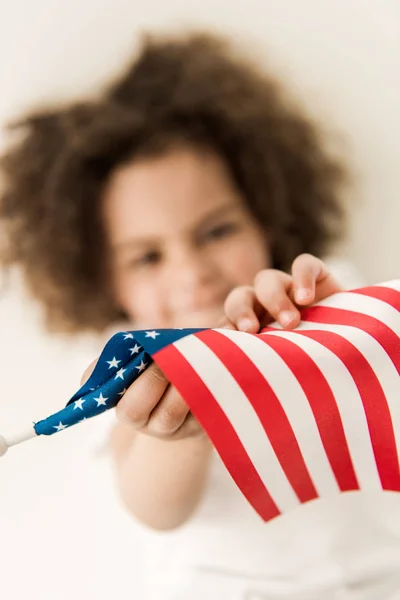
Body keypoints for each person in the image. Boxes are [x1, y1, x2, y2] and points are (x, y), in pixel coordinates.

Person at [1, 30, 398, 600]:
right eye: (147, 257)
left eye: (217, 231)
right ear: (101, 277)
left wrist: (335, 331)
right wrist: (181, 424)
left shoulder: (320, 292)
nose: (191, 276)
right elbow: (154, 508)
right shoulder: (129, 362)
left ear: (266, 215)